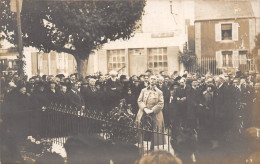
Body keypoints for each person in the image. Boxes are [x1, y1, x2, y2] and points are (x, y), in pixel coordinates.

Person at [136, 75, 165, 150]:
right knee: (142, 129)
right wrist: (145, 109)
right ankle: (141, 146)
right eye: (151, 79)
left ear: (157, 81)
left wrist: (152, 110)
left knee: (154, 130)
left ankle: (152, 148)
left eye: (154, 79)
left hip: (154, 114)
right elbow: (139, 100)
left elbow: (161, 104)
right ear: (149, 80)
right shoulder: (143, 90)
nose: (153, 80)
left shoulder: (159, 92)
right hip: (144, 112)